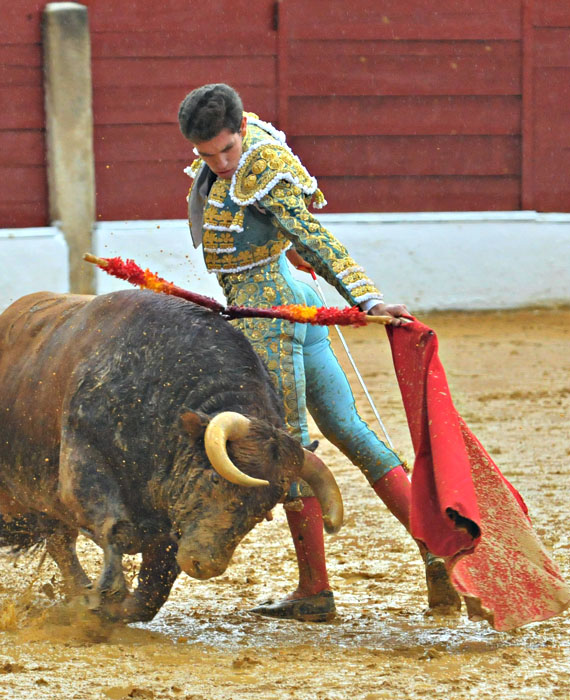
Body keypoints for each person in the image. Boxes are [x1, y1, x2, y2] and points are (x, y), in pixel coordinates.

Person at [178, 83, 460, 621]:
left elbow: (314, 237)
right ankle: (435, 552)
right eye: (206, 156)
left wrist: (368, 298)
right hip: (292, 297)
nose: (220, 164)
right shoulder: (243, 142)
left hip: (273, 315)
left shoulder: (265, 165)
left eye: (227, 151)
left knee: (286, 447)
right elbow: (284, 236)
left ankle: (315, 590)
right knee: (346, 427)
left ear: (241, 131)